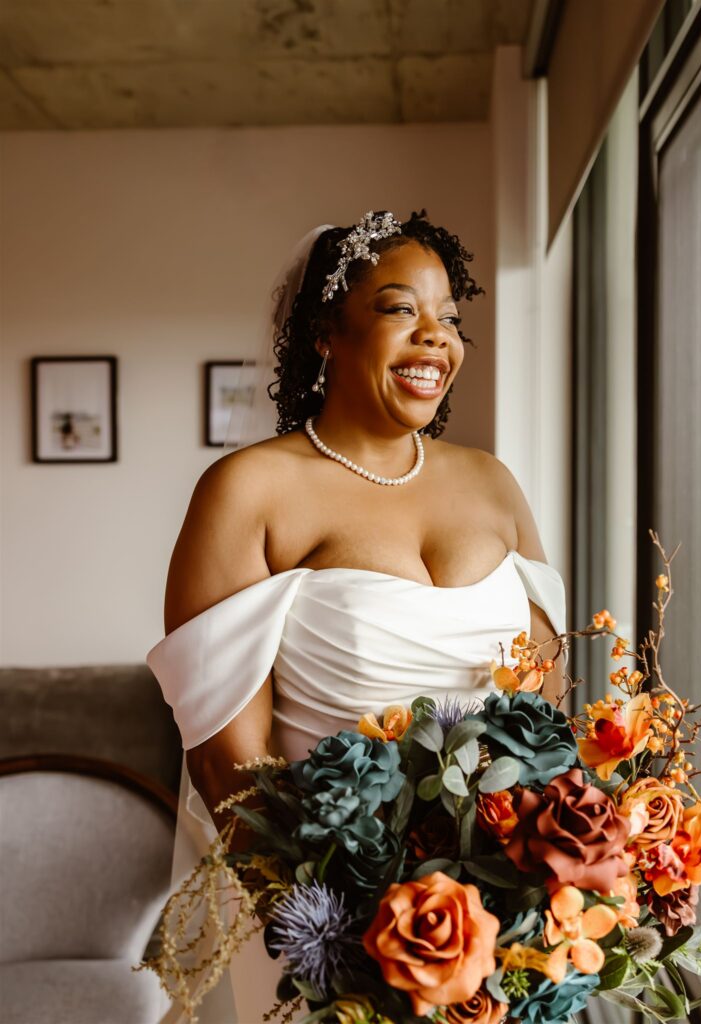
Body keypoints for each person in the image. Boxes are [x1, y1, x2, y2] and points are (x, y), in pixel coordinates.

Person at [146, 210, 568, 1023]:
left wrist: (528, 891)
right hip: (328, 924)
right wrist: (352, 945)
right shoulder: (247, 491)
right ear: (324, 334)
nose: (434, 336)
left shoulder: (493, 483)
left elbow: (544, 702)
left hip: (501, 922)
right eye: (399, 309)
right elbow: (228, 769)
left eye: (448, 318)